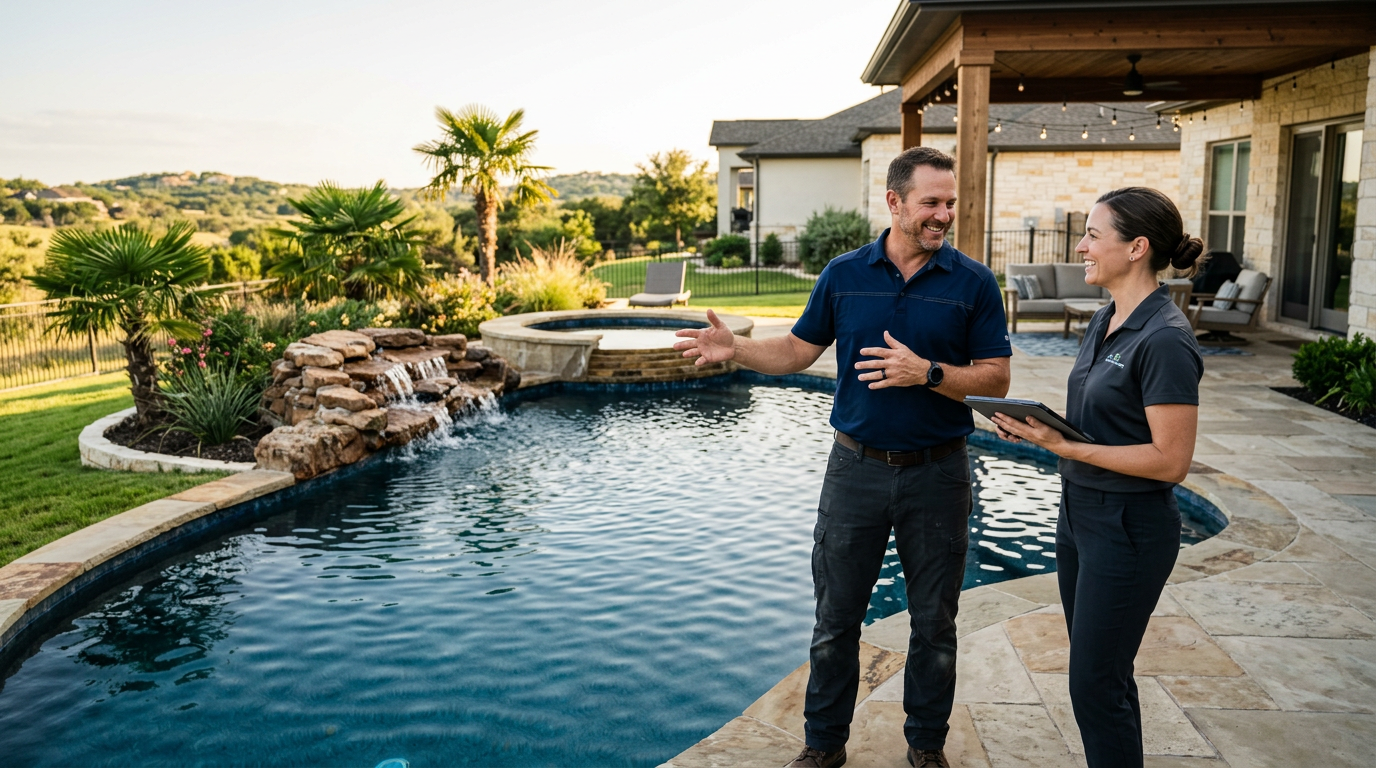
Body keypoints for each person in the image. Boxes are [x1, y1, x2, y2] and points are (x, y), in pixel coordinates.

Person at [674, 146, 1011, 768]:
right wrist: (738, 351)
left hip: (940, 472)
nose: (943, 215)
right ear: (894, 202)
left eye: (949, 204)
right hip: (854, 470)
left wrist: (927, 373)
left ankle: (926, 747)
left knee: (934, 625)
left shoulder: (972, 283)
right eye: (930, 203)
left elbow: (994, 380)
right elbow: (799, 351)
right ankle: (824, 746)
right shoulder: (844, 274)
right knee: (835, 624)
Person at [990, 187, 1205, 768]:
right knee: (1100, 676)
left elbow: (1170, 460)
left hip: (1128, 529)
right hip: (1079, 515)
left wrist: (1067, 448)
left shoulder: (1164, 338)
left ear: (1137, 247)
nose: (1081, 247)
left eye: (1092, 234)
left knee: (1095, 685)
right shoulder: (1108, 317)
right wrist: (1038, 432)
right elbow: (1094, 426)